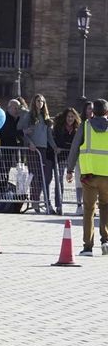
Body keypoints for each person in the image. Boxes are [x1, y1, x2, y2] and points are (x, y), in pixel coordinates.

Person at [66, 99, 108, 254]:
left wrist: (69, 169)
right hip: (107, 176)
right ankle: (106, 241)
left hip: (89, 176)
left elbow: (75, 147)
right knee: (106, 207)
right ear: (107, 112)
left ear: (92, 112)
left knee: (89, 210)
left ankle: (88, 247)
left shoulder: (85, 126)